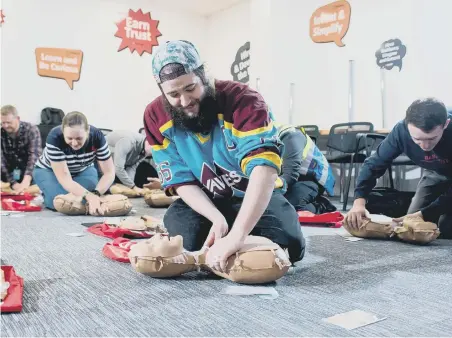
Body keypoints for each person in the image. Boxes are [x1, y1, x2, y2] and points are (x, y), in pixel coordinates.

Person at [143, 40, 305, 271]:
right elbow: (181, 181)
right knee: (186, 238)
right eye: (174, 94)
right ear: (162, 91)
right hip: (207, 199)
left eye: (191, 88)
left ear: (204, 76)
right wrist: (216, 219)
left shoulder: (244, 100)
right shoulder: (154, 116)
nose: (185, 101)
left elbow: (264, 170)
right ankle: (230, 230)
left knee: (291, 244)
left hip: (249, 193)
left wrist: (237, 235)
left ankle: (238, 231)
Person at [345, 98, 452, 237]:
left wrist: (426, 213)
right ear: (408, 127)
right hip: (435, 172)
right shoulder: (400, 131)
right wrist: (359, 202)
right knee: (410, 226)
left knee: (446, 228)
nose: (425, 147)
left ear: (446, 124)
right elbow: (373, 165)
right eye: (417, 139)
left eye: (431, 139)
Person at [32, 111, 115, 215]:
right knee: (61, 202)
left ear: (87, 131)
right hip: (49, 171)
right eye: (69, 138)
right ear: (63, 132)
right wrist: (89, 196)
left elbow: (109, 173)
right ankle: (45, 192)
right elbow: (65, 178)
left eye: (79, 138)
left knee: (82, 199)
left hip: (83, 170)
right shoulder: (54, 137)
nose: (74, 143)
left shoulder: (98, 137)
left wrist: (96, 193)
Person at [277, 124, 336, 213]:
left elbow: (290, 174)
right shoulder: (255, 141)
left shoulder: (290, 137)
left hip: (311, 178)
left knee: (290, 207)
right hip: (290, 178)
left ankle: (321, 205)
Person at [1, 105, 42, 193]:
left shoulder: (31, 129)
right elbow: (1, 162)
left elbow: (34, 156)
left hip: (30, 173)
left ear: (18, 118)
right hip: (9, 174)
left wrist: (26, 180)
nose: (5, 126)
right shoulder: (1, 133)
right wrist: (13, 183)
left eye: (9, 122)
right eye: (3, 123)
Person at [105, 130, 160, 194]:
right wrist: (133, 187)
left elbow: (132, 166)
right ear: (148, 142)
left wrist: (131, 186)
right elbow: (118, 168)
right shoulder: (128, 141)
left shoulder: (145, 149)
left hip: (113, 165)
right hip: (100, 161)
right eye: (155, 150)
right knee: (102, 189)